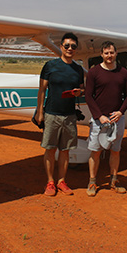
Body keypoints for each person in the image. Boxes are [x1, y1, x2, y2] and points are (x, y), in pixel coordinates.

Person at [34, 33, 84, 197]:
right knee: (50, 149)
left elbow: (83, 89)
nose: (70, 49)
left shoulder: (77, 69)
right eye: (67, 45)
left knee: (65, 151)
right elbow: (42, 90)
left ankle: (61, 181)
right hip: (51, 114)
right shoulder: (50, 66)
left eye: (73, 46)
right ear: (61, 46)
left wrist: (80, 91)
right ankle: (50, 182)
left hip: (69, 116)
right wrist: (39, 112)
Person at [84, 41, 127, 197]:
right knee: (95, 152)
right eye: (106, 53)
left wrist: (120, 112)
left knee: (115, 151)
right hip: (100, 120)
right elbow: (88, 96)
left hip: (117, 119)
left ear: (116, 53)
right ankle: (92, 181)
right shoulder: (93, 72)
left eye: (112, 52)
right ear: (101, 54)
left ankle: (114, 180)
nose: (109, 56)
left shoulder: (123, 72)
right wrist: (99, 116)